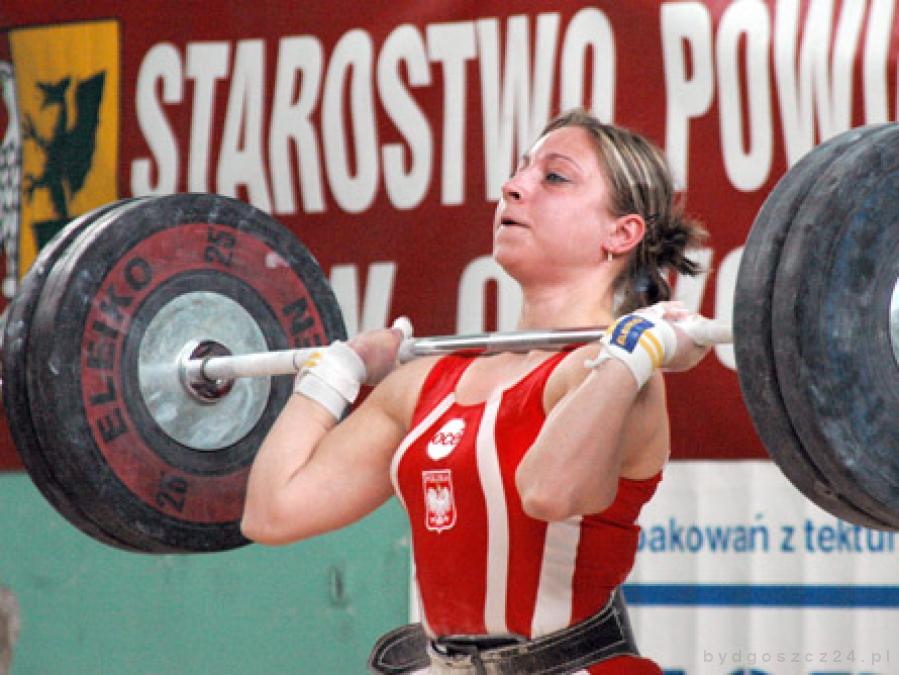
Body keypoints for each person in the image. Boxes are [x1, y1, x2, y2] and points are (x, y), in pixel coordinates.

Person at [241, 108, 710, 674]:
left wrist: (629, 355)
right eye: (520, 169)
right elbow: (272, 511)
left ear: (622, 233)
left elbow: (548, 492)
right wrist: (339, 370)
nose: (513, 186)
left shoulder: (620, 378)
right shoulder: (425, 385)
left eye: (554, 177)